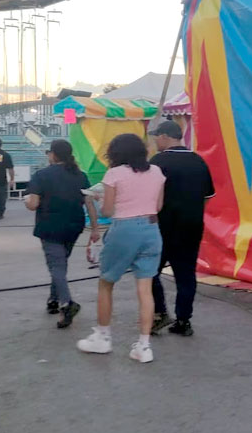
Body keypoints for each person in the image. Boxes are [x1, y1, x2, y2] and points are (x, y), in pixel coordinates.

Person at [76, 133, 165, 363]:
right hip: (151, 229)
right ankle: (144, 347)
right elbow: (158, 205)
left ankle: (102, 338)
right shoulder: (156, 172)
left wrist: (98, 198)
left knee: (106, 282)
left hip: (124, 229)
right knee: (145, 288)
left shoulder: (114, 174)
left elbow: (106, 212)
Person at [148, 120, 214, 337]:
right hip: (191, 227)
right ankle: (184, 320)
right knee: (186, 275)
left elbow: (150, 198)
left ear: (166, 136)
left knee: (149, 272)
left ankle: (159, 313)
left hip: (162, 228)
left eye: (157, 136)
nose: (155, 141)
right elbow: (207, 198)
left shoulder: (157, 162)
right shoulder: (198, 161)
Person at [24, 139, 99, 328]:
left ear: (53, 154)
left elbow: (32, 204)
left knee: (56, 265)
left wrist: (27, 201)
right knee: (60, 263)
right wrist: (95, 228)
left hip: (50, 227)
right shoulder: (80, 175)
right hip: (74, 226)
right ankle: (53, 299)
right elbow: (89, 202)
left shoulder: (41, 175)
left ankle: (67, 304)